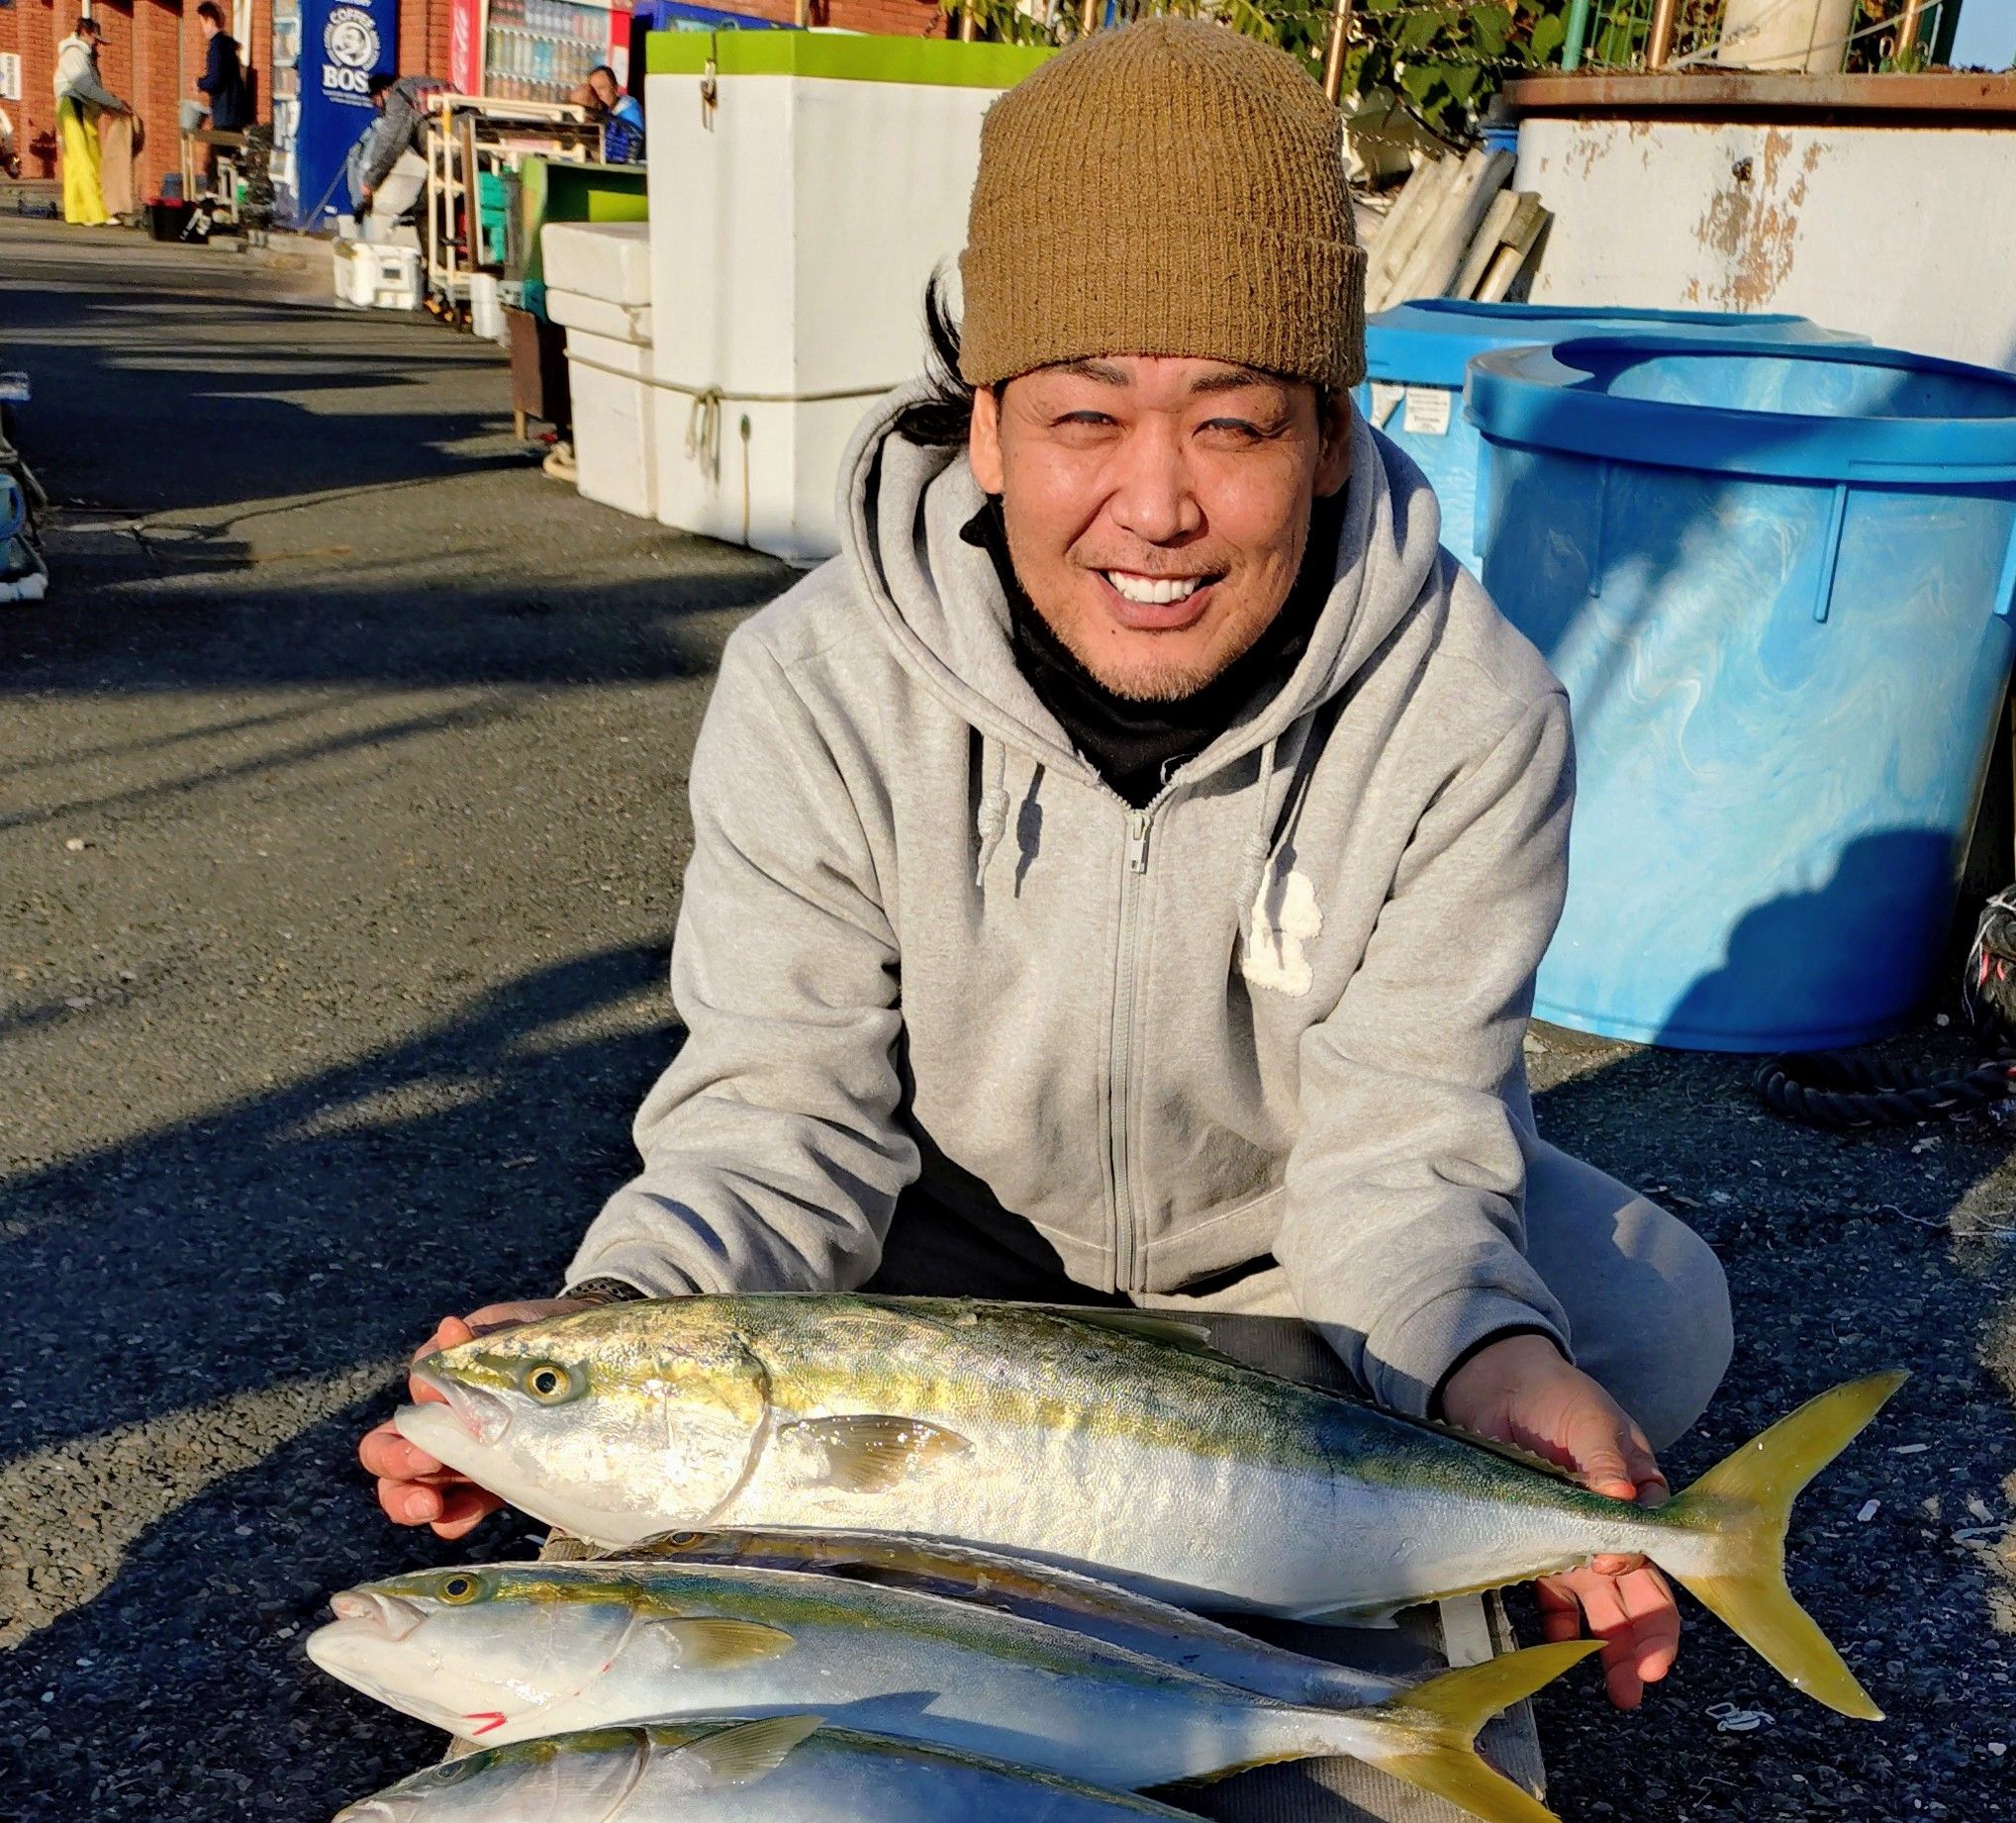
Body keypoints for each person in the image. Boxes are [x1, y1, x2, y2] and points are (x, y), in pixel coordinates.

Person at [361, 23, 1730, 1708]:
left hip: (1287, 1267)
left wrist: (1488, 1353)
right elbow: (777, 1116)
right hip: (931, 1264)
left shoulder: (1472, 713)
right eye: (1084, 416)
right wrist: (615, 1327)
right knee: (683, 1394)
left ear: (1326, 434)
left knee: (1649, 1320)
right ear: (986, 427)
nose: (1153, 508)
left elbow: (1402, 1153)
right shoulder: (814, 681)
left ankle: (1399, 1511)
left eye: (1231, 426)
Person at [53, 17, 134, 228]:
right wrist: (115, 103)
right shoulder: (75, 54)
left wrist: (113, 106)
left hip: (77, 108)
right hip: (74, 108)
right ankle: (97, 212)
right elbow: (86, 88)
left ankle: (77, 212)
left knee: (75, 163)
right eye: (95, 38)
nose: (97, 44)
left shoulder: (84, 57)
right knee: (87, 161)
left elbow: (92, 91)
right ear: (84, 33)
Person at [352, 67, 435, 241]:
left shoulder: (398, 98)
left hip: (455, 149)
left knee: (425, 209)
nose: (378, 107)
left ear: (385, 90)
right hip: (465, 139)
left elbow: (390, 145)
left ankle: (435, 258)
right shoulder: (412, 86)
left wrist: (369, 184)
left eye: (376, 100)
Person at [192, 1, 255, 188]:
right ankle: (228, 198)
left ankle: (216, 201)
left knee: (216, 166)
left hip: (225, 116)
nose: (202, 29)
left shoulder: (217, 47)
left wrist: (199, 83)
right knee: (231, 163)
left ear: (210, 21)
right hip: (236, 114)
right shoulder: (227, 45)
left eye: (202, 23)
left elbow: (215, 80)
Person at [580, 60, 645, 164]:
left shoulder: (629, 115)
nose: (597, 94)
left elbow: (621, 153)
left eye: (601, 88)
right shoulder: (604, 113)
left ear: (615, 90)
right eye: (593, 91)